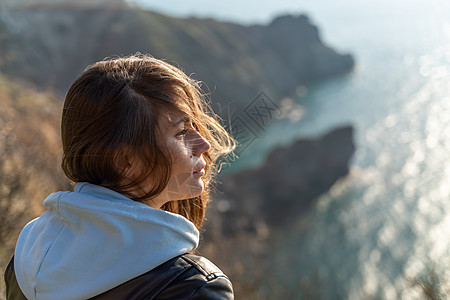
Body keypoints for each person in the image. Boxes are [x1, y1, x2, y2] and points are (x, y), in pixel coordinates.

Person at [4, 54, 236, 299]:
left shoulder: (26, 258)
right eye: (180, 132)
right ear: (125, 161)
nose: (204, 143)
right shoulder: (190, 288)